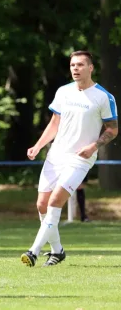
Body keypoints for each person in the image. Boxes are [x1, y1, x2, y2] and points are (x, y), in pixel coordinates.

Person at [22, 51, 118, 267]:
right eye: (73, 65)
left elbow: (112, 129)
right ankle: (58, 251)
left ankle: (33, 252)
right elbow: (54, 123)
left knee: (56, 201)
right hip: (55, 155)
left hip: (81, 158)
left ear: (91, 68)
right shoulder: (63, 92)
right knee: (42, 205)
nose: (75, 68)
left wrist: (93, 146)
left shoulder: (103, 97)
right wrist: (38, 146)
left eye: (81, 65)